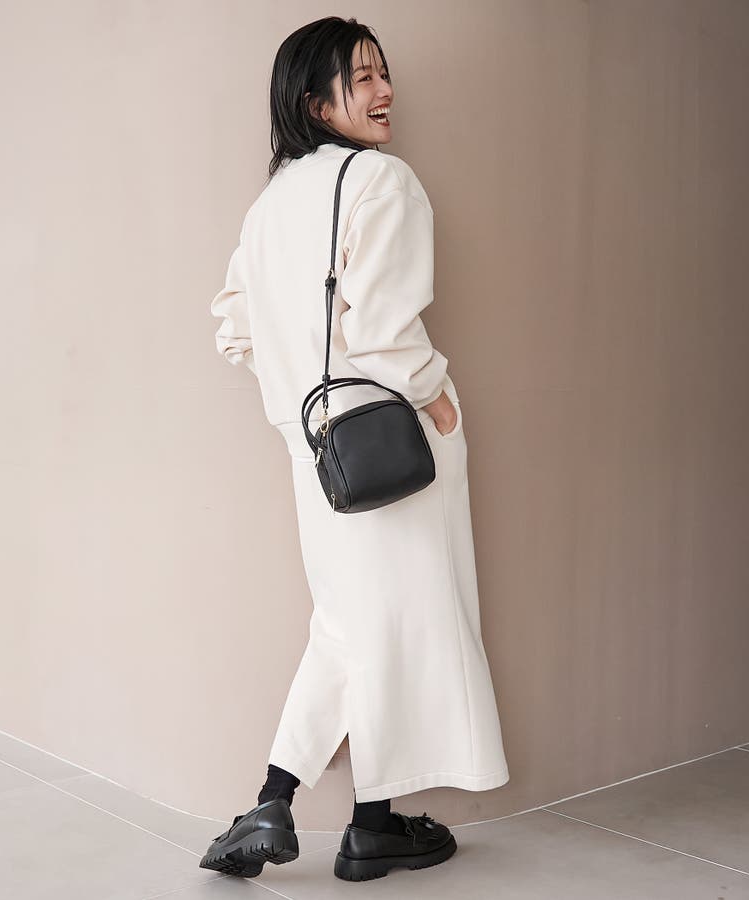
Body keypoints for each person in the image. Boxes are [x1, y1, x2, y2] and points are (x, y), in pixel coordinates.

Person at [200, 16, 509, 883]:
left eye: (383, 73)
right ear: (315, 102)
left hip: (318, 453)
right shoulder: (382, 180)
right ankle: (367, 828)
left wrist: (296, 390)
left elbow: (233, 326)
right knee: (395, 631)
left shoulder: (271, 205)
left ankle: (283, 802)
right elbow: (382, 329)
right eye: (363, 77)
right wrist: (435, 395)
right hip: (393, 441)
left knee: (350, 628)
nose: (385, 92)